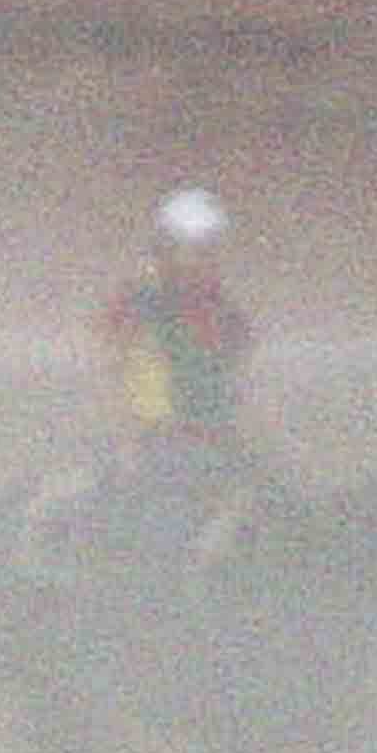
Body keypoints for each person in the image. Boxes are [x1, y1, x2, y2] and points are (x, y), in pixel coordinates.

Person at [89, 184, 263, 559]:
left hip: (206, 439)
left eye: (213, 247)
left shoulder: (209, 303)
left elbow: (235, 353)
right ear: (171, 249)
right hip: (165, 444)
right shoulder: (147, 303)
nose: (209, 258)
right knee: (176, 532)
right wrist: (134, 436)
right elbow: (125, 365)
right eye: (200, 248)